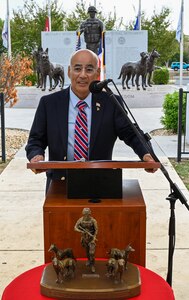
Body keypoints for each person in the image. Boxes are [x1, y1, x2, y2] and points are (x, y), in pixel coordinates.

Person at [25, 48, 157, 192]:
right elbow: (36, 140)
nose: (82, 75)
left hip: (100, 183)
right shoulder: (49, 103)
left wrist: (146, 154)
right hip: (60, 185)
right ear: (69, 72)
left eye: (89, 69)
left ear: (97, 73)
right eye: (77, 69)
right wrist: (36, 156)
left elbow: (132, 134)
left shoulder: (111, 102)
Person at [74, 207, 98, 273]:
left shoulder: (93, 221)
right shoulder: (80, 220)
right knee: (87, 252)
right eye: (85, 214)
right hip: (84, 238)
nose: (86, 215)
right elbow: (75, 227)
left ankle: (92, 265)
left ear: (90, 214)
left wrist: (94, 237)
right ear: (83, 214)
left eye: (88, 214)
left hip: (91, 239)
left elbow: (96, 230)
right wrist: (81, 231)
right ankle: (89, 260)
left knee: (92, 253)